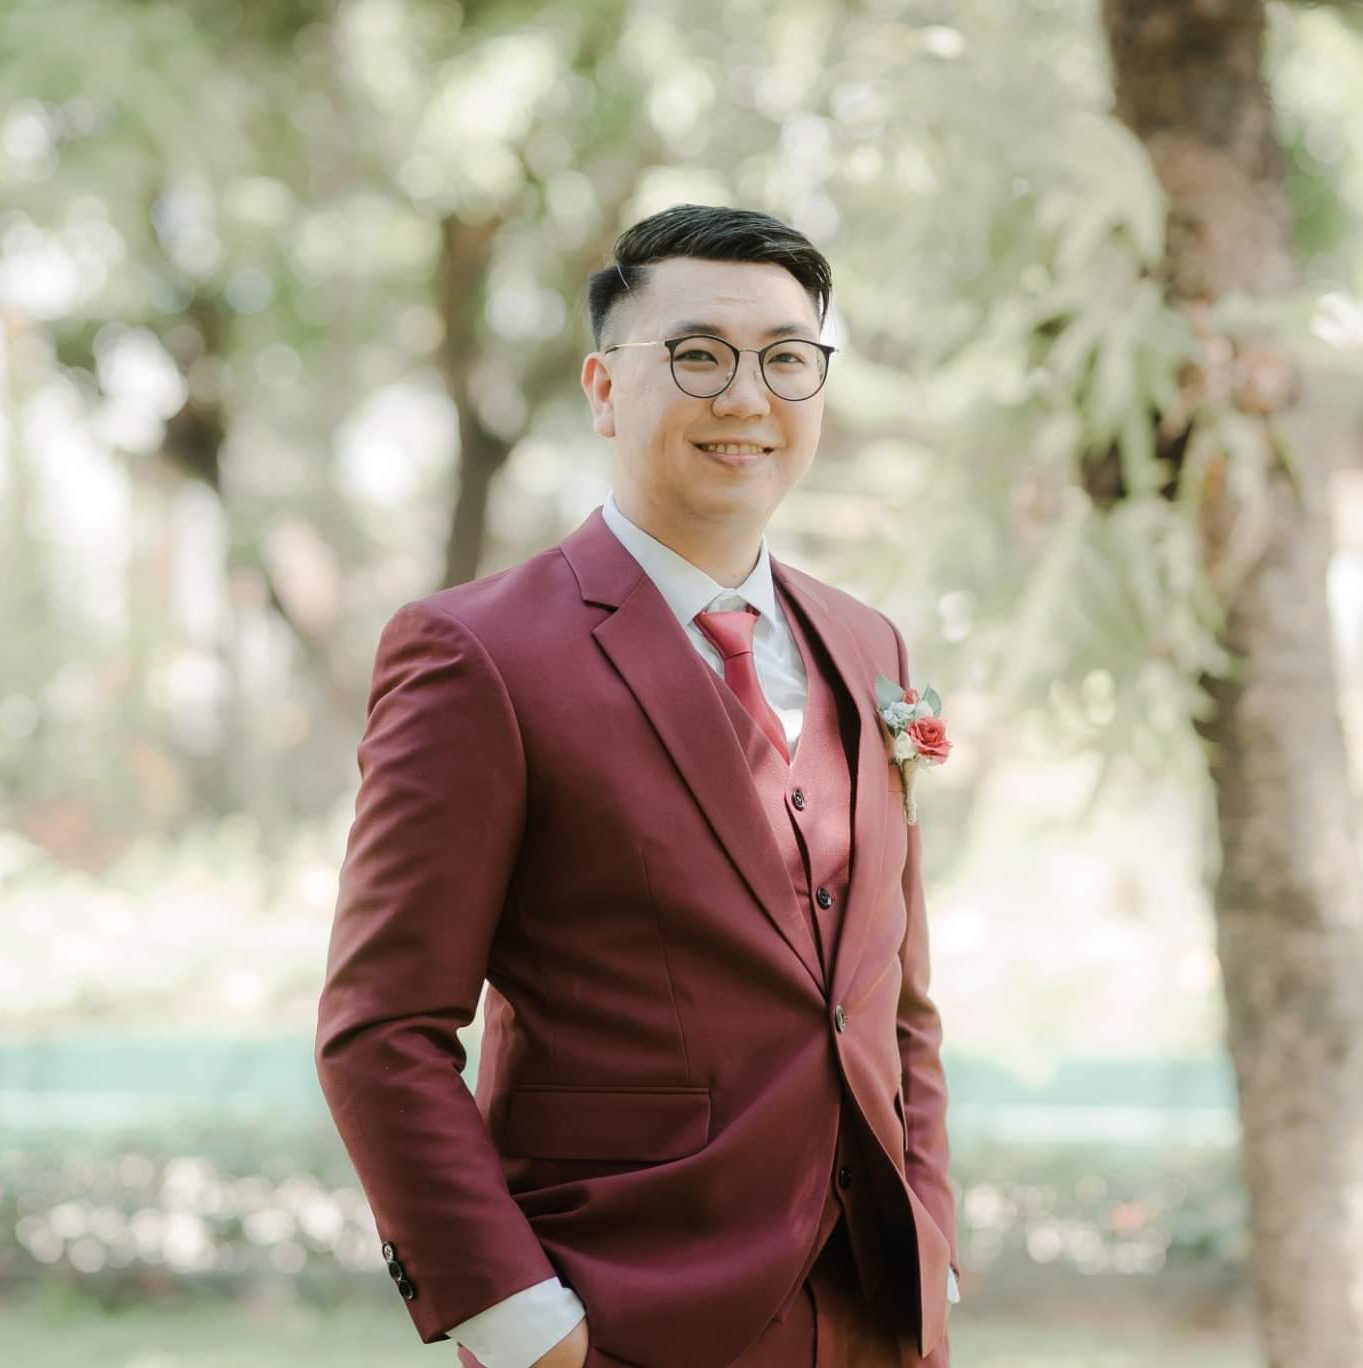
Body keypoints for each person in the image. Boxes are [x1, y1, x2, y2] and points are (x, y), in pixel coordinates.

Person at [314, 203, 958, 1368]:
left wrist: (931, 1243)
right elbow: (381, 1029)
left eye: (786, 359)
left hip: (876, 1317)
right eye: (697, 355)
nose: (746, 397)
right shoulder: (477, 655)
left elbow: (894, 999)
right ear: (604, 388)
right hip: (617, 1318)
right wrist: (522, 1324)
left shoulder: (868, 644)